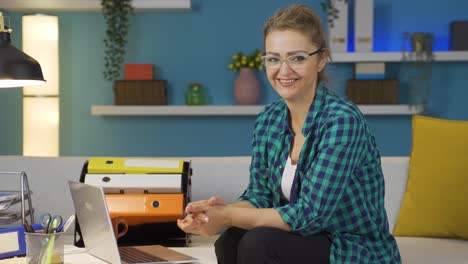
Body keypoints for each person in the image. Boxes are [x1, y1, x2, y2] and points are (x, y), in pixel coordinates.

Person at [177, 4, 401, 264]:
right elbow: (259, 196)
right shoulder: (268, 120)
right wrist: (216, 212)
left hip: (350, 247)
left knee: (258, 243)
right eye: (273, 58)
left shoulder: (342, 121)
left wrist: (228, 216)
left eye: (297, 58)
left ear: (321, 59)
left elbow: (311, 214)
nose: (283, 70)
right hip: (307, 240)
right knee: (230, 240)